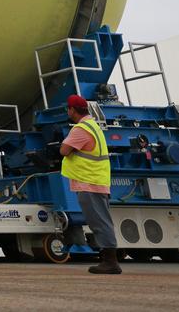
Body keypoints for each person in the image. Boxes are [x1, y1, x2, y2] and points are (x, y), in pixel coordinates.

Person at [59, 94, 121, 274]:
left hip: (89, 182)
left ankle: (110, 262)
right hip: (96, 181)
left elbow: (63, 150)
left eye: (68, 109)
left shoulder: (80, 129)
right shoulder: (93, 125)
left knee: (100, 222)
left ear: (72, 110)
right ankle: (108, 259)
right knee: (101, 220)